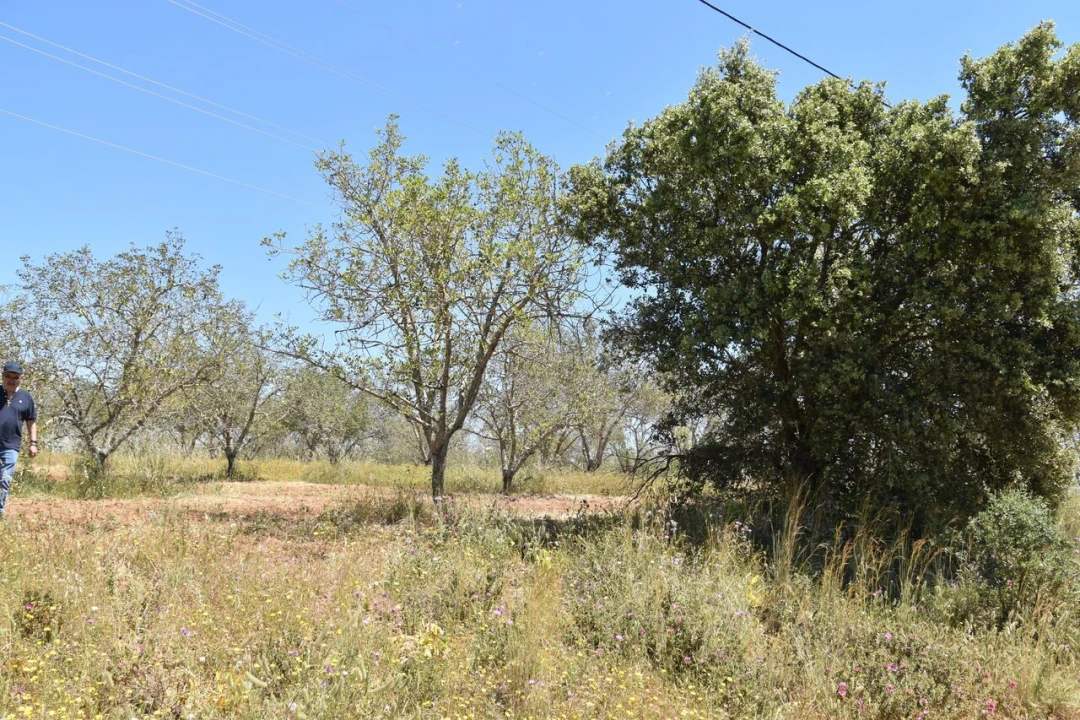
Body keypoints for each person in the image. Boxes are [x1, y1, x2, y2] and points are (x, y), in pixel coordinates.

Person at [0, 361, 37, 517]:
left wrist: (33, 443)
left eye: (16, 377)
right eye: (8, 376)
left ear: (21, 379)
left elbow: (31, 421)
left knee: (5, 479)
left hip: (11, 445)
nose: (12, 380)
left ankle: (0, 511)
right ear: (3, 377)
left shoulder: (26, 397)